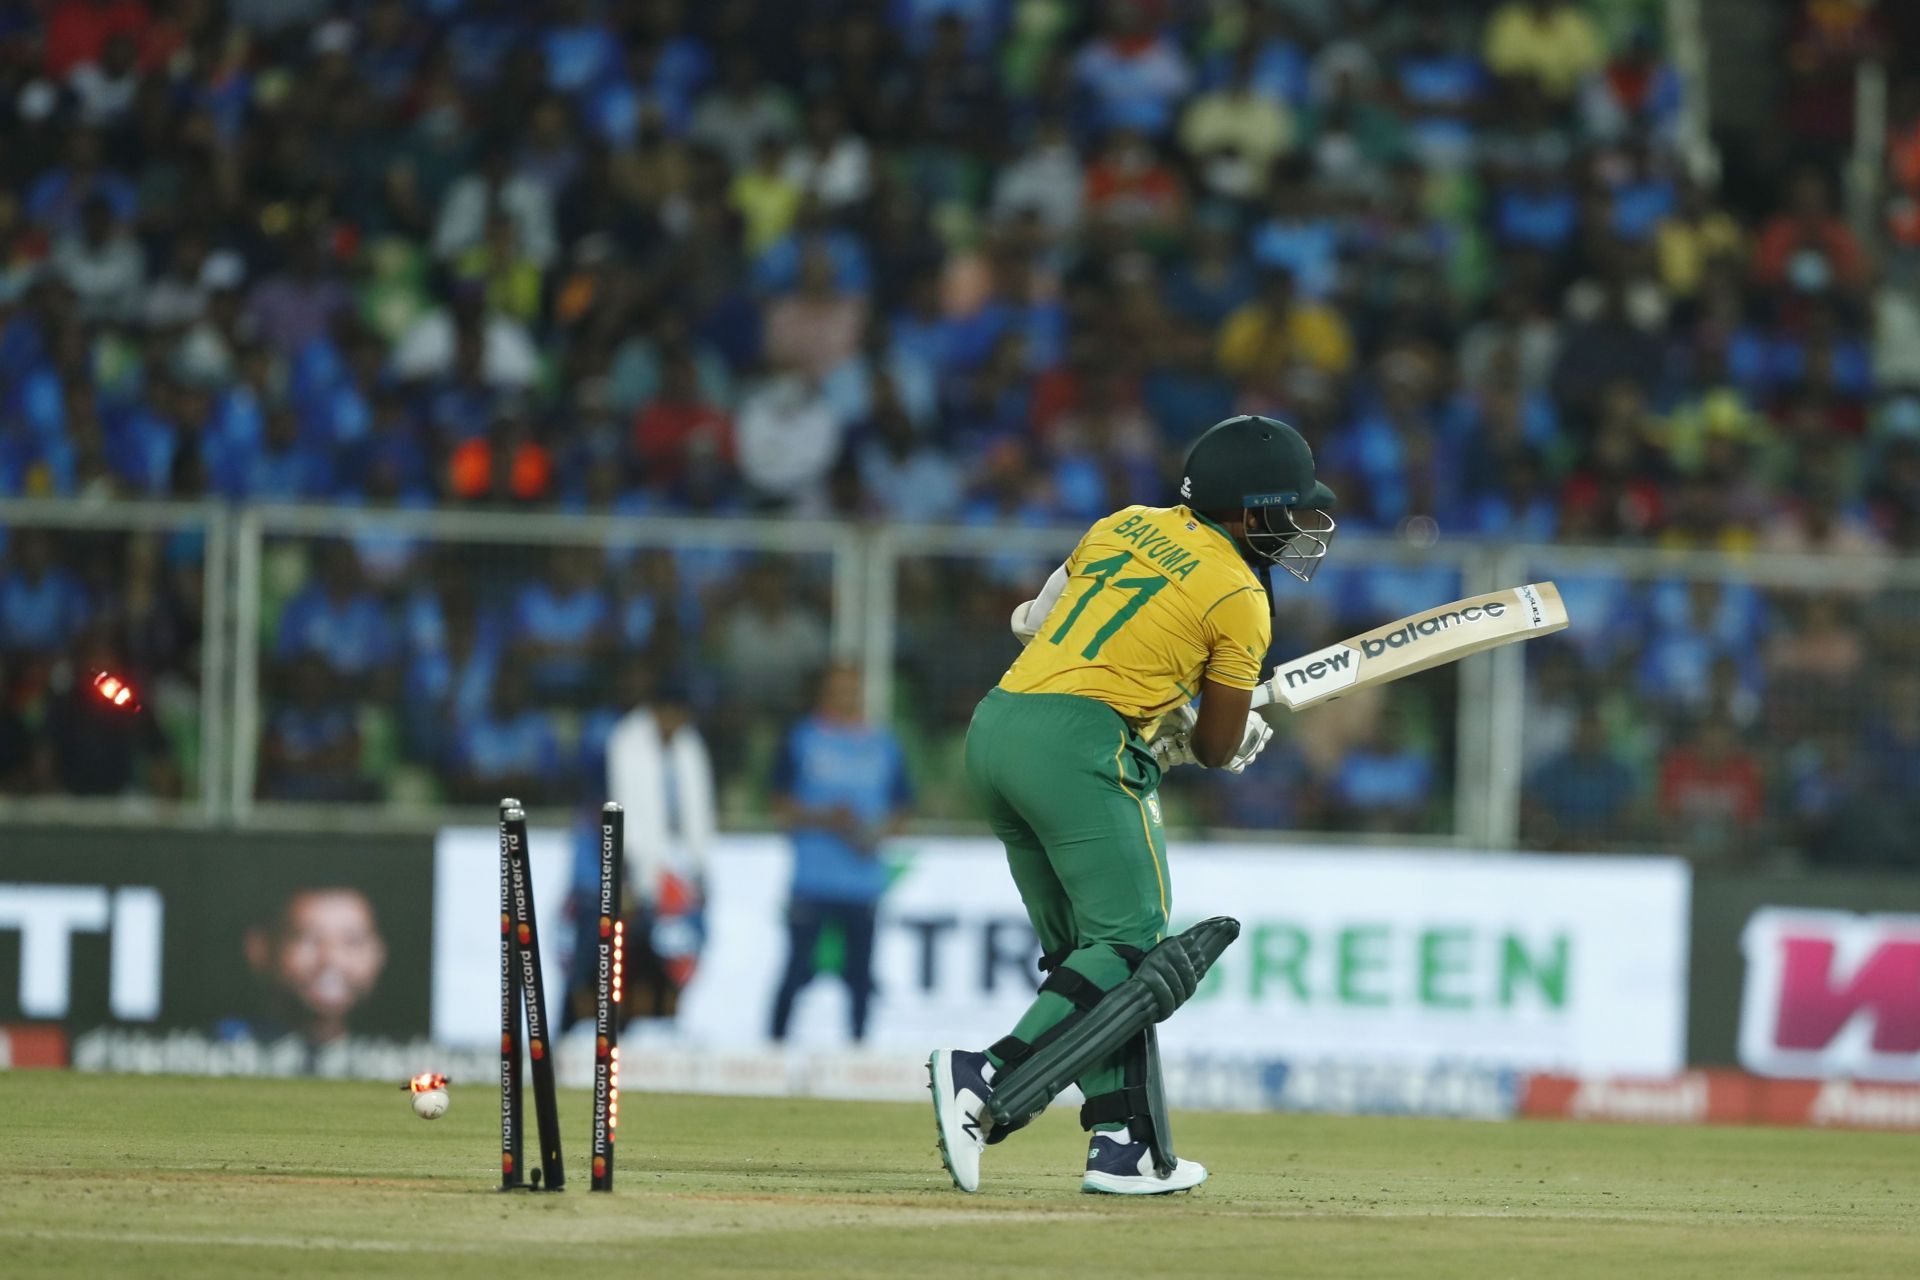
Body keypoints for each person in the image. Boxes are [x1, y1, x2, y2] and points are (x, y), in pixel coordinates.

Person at [929, 414, 1335, 1196]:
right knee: (1133, 943)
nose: (1299, 528)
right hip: (1081, 746)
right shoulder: (1241, 594)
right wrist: (1225, 728)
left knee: (1089, 957)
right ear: (1249, 513)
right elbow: (1216, 749)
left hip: (998, 727)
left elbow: (1035, 621)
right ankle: (984, 1075)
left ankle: (1123, 1144)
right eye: (1288, 511)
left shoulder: (1124, 524)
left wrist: (1162, 712)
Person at [767, 661, 912, 1044]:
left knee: (861, 977)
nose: (845, 694)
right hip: (813, 878)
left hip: (863, 881)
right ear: (823, 691)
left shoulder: (883, 743)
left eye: (852, 687)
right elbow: (779, 806)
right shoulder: (801, 738)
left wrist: (875, 833)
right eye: (837, 687)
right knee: (797, 970)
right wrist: (826, 819)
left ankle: (857, 1051)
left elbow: (902, 809)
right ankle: (773, 1048)